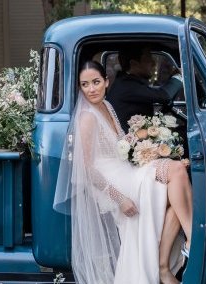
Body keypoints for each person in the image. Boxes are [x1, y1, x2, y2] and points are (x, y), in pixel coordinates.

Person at [54, 61, 192, 284]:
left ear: (106, 82)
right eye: (85, 84)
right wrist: (120, 199)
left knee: (179, 189)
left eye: (96, 82)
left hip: (124, 169)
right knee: (176, 171)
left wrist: (146, 139)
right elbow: (87, 170)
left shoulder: (107, 106)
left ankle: (164, 267)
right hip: (111, 183)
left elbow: (120, 143)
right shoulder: (87, 117)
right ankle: (192, 239)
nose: (92, 89)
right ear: (80, 88)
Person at [106, 44, 183, 133]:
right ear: (134, 63)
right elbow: (164, 95)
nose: (153, 63)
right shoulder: (128, 85)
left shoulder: (128, 82)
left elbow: (162, 97)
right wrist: (179, 76)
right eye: (148, 58)